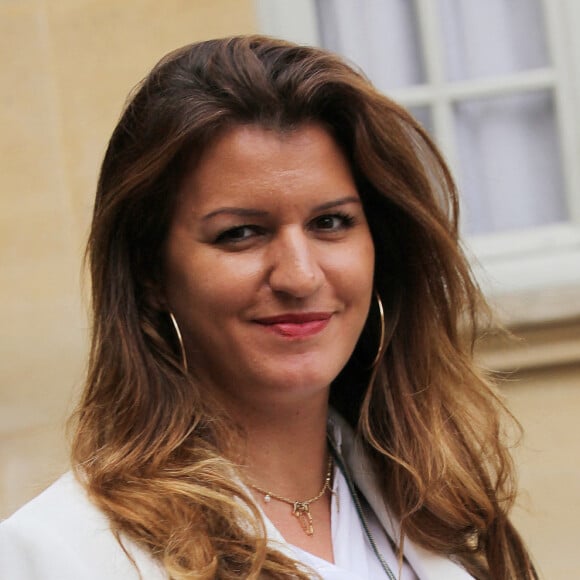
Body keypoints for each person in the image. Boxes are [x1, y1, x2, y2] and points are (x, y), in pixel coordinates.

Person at [0, 35, 537, 579]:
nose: (300, 276)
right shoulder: (58, 555)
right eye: (240, 233)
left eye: (330, 222)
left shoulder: (432, 510)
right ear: (151, 274)